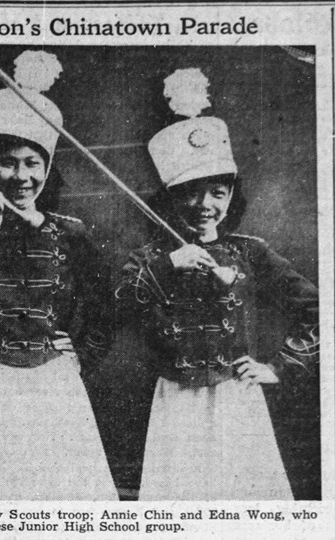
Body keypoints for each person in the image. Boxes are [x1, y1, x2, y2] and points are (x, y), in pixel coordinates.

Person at [114, 68, 319, 500]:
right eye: (190, 192)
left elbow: (318, 308)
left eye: (217, 193)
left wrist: (280, 368)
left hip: (235, 399)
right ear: (170, 198)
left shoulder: (251, 252)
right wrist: (169, 264)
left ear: (230, 196)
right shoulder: (152, 256)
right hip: (175, 400)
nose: (204, 205)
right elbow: (119, 308)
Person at [0, 51, 118, 500]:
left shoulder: (70, 232)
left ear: (47, 168)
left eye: (33, 163)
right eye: (8, 162)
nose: (20, 176)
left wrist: (82, 353)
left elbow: (106, 303)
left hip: (53, 382)